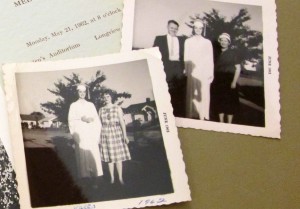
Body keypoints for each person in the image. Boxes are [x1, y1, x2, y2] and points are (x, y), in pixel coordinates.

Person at [68, 84, 103, 185]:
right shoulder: (73, 105)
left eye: (84, 92)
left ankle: (95, 176)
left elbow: (96, 119)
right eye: (80, 92)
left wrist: (91, 120)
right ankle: (85, 178)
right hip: (81, 132)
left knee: (92, 153)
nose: (82, 94)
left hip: (90, 132)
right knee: (82, 154)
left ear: (86, 93)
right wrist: (81, 119)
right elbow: (71, 120)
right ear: (77, 93)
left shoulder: (90, 105)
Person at [153, 20, 186, 117]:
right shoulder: (160, 39)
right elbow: (154, 53)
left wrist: (184, 68)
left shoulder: (182, 40)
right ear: (167, 27)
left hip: (178, 67)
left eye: (176, 29)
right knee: (166, 89)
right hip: (165, 67)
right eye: (172, 28)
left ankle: (177, 113)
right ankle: (165, 113)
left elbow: (185, 55)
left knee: (178, 91)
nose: (173, 30)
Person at [98, 91, 131, 185]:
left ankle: (120, 178)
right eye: (104, 97)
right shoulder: (101, 110)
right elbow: (99, 124)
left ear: (111, 97)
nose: (106, 98)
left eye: (107, 96)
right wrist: (99, 137)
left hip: (116, 133)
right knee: (109, 158)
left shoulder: (117, 108)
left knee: (118, 158)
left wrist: (125, 136)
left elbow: (122, 122)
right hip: (105, 134)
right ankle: (112, 178)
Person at [184, 20, 214, 120]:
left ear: (203, 29)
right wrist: (186, 69)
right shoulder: (188, 41)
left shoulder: (207, 42)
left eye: (200, 28)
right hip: (193, 70)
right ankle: (192, 113)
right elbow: (186, 57)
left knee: (203, 92)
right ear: (193, 28)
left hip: (204, 70)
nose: (198, 30)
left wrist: (210, 72)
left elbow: (210, 58)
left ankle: (203, 114)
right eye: (196, 28)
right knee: (192, 92)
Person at [213, 33, 241, 123]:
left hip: (229, 81)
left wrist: (234, 82)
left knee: (230, 103)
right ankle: (221, 122)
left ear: (229, 43)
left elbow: (238, 68)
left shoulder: (233, 53)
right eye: (222, 40)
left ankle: (229, 124)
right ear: (219, 41)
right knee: (219, 101)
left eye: (226, 41)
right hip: (218, 81)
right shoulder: (216, 54)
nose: (224, 42)